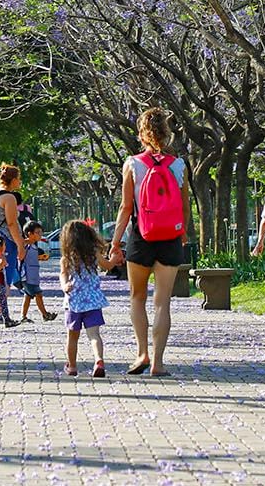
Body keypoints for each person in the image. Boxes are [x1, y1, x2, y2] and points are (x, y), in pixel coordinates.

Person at [107, 107, 191, 377]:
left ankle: (141, 352)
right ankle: (158, 362)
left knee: (137, 297)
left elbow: (125, 206)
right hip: (170, 238)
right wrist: (183, 232)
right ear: (167, 134)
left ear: (141, 134)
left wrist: (116, 242)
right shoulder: (179, 166)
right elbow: (186, 207)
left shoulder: (132, 164)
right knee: (162, 302)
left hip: (141, 237)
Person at [59, 219, 111, 377]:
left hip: (74, 301)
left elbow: (63, 275)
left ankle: (72, 366)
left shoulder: (67, 258)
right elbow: (107, 266)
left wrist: (65, 285)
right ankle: (98, 360)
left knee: (72, 336)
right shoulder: (94, 253)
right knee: (94, 334)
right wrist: (115, 259)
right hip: (93, 301)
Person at [0, 165, 29, 291]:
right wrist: (20, 245)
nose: (20, 181)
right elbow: (11, 223)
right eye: (19, 178)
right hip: (7, 240)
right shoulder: (9, 198)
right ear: (13, 180)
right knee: (5, 278)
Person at [18, 222, 57, 322]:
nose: (40, 234)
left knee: (28, 295)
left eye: (41, 232)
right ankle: (45, 314)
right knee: (38, 294)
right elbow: (21, 258)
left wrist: (40, 257)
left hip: (33, 275)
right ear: (30, 234)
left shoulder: (33, 246)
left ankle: (23, 316)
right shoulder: (25, 245)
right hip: (27, 276)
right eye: (38, 232)